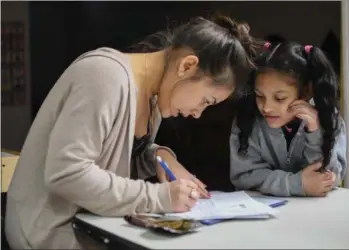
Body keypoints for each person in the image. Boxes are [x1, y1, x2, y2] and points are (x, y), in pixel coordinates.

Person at [5, 15, 259, 249]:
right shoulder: (103, 74)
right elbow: (67, 173)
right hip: (48, 231)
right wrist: (159, 197)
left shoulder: (154, 99)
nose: (197, 113)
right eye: (206, 100)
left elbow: (113, 153)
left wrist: (159, 156)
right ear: (187, 66)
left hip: (90, 224)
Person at [230, 41, 347, 197]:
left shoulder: (329, 118)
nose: (266, 108)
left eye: (279, 98)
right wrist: (297, 184)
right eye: (260, 96)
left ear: (306, 93)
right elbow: (243, 177)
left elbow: (330, 178)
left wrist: (314, 132)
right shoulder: (247, 120)